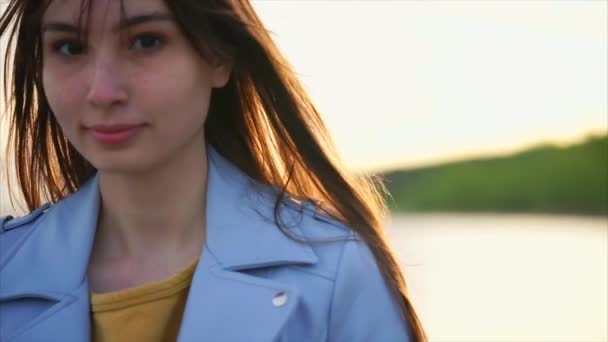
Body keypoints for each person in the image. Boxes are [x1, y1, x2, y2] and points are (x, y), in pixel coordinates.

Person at [0, 0, 426, 341]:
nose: (103, 91)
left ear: (219, 57)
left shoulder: (335, 272)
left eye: (146, 41)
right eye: (70, 48)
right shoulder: (7, 269)